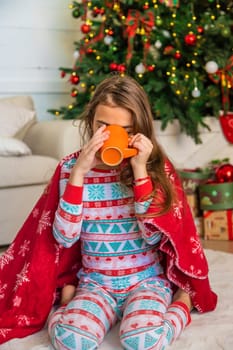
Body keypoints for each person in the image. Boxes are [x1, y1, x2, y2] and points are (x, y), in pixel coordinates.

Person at [46, 74, 217, 350]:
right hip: (95, 283)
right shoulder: (70, 168)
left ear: (138, 129)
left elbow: (153, 238)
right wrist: (79, 173)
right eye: (103, 125)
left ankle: (182, 303)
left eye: (124, 129)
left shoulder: (152, 168)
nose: (111, 135)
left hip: (145, 281)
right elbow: (64, 238)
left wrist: (140, 171)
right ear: (90, 119)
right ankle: (69, 303)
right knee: (70, 341)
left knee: (143, 342)